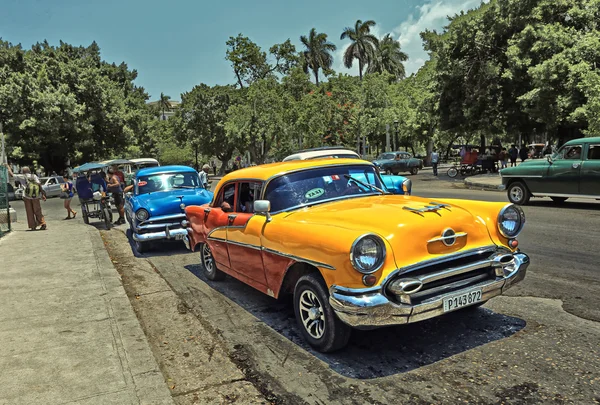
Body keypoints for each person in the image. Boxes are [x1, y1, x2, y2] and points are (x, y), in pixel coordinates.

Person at [6, 164, 47, 231]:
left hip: (27, 196)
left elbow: (11, 175)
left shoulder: (21, 176)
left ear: (22, 171)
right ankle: (43, 223)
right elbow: (39, 184)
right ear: (29, 171)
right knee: (38, 210)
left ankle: (33, 226)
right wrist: (42, 193)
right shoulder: (34, 176)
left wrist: (8, 167)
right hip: (36, 196)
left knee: (29, 212)